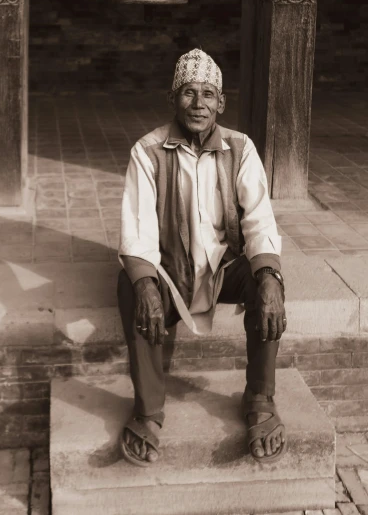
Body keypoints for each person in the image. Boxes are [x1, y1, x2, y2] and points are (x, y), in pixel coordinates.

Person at [117, 48, 287, 467]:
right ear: (173, 98)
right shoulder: (148, 150)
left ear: (221, 103)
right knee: (131, 286)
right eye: (189, 93)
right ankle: (149, 410)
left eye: (208, 94)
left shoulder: (240, 148)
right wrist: (145, 284)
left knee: (268, 283)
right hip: (171, 271)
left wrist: (269, 277)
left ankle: (260, 397)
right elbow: (137, 227)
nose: (198, 104)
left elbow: (259, 218)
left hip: (221, 270)